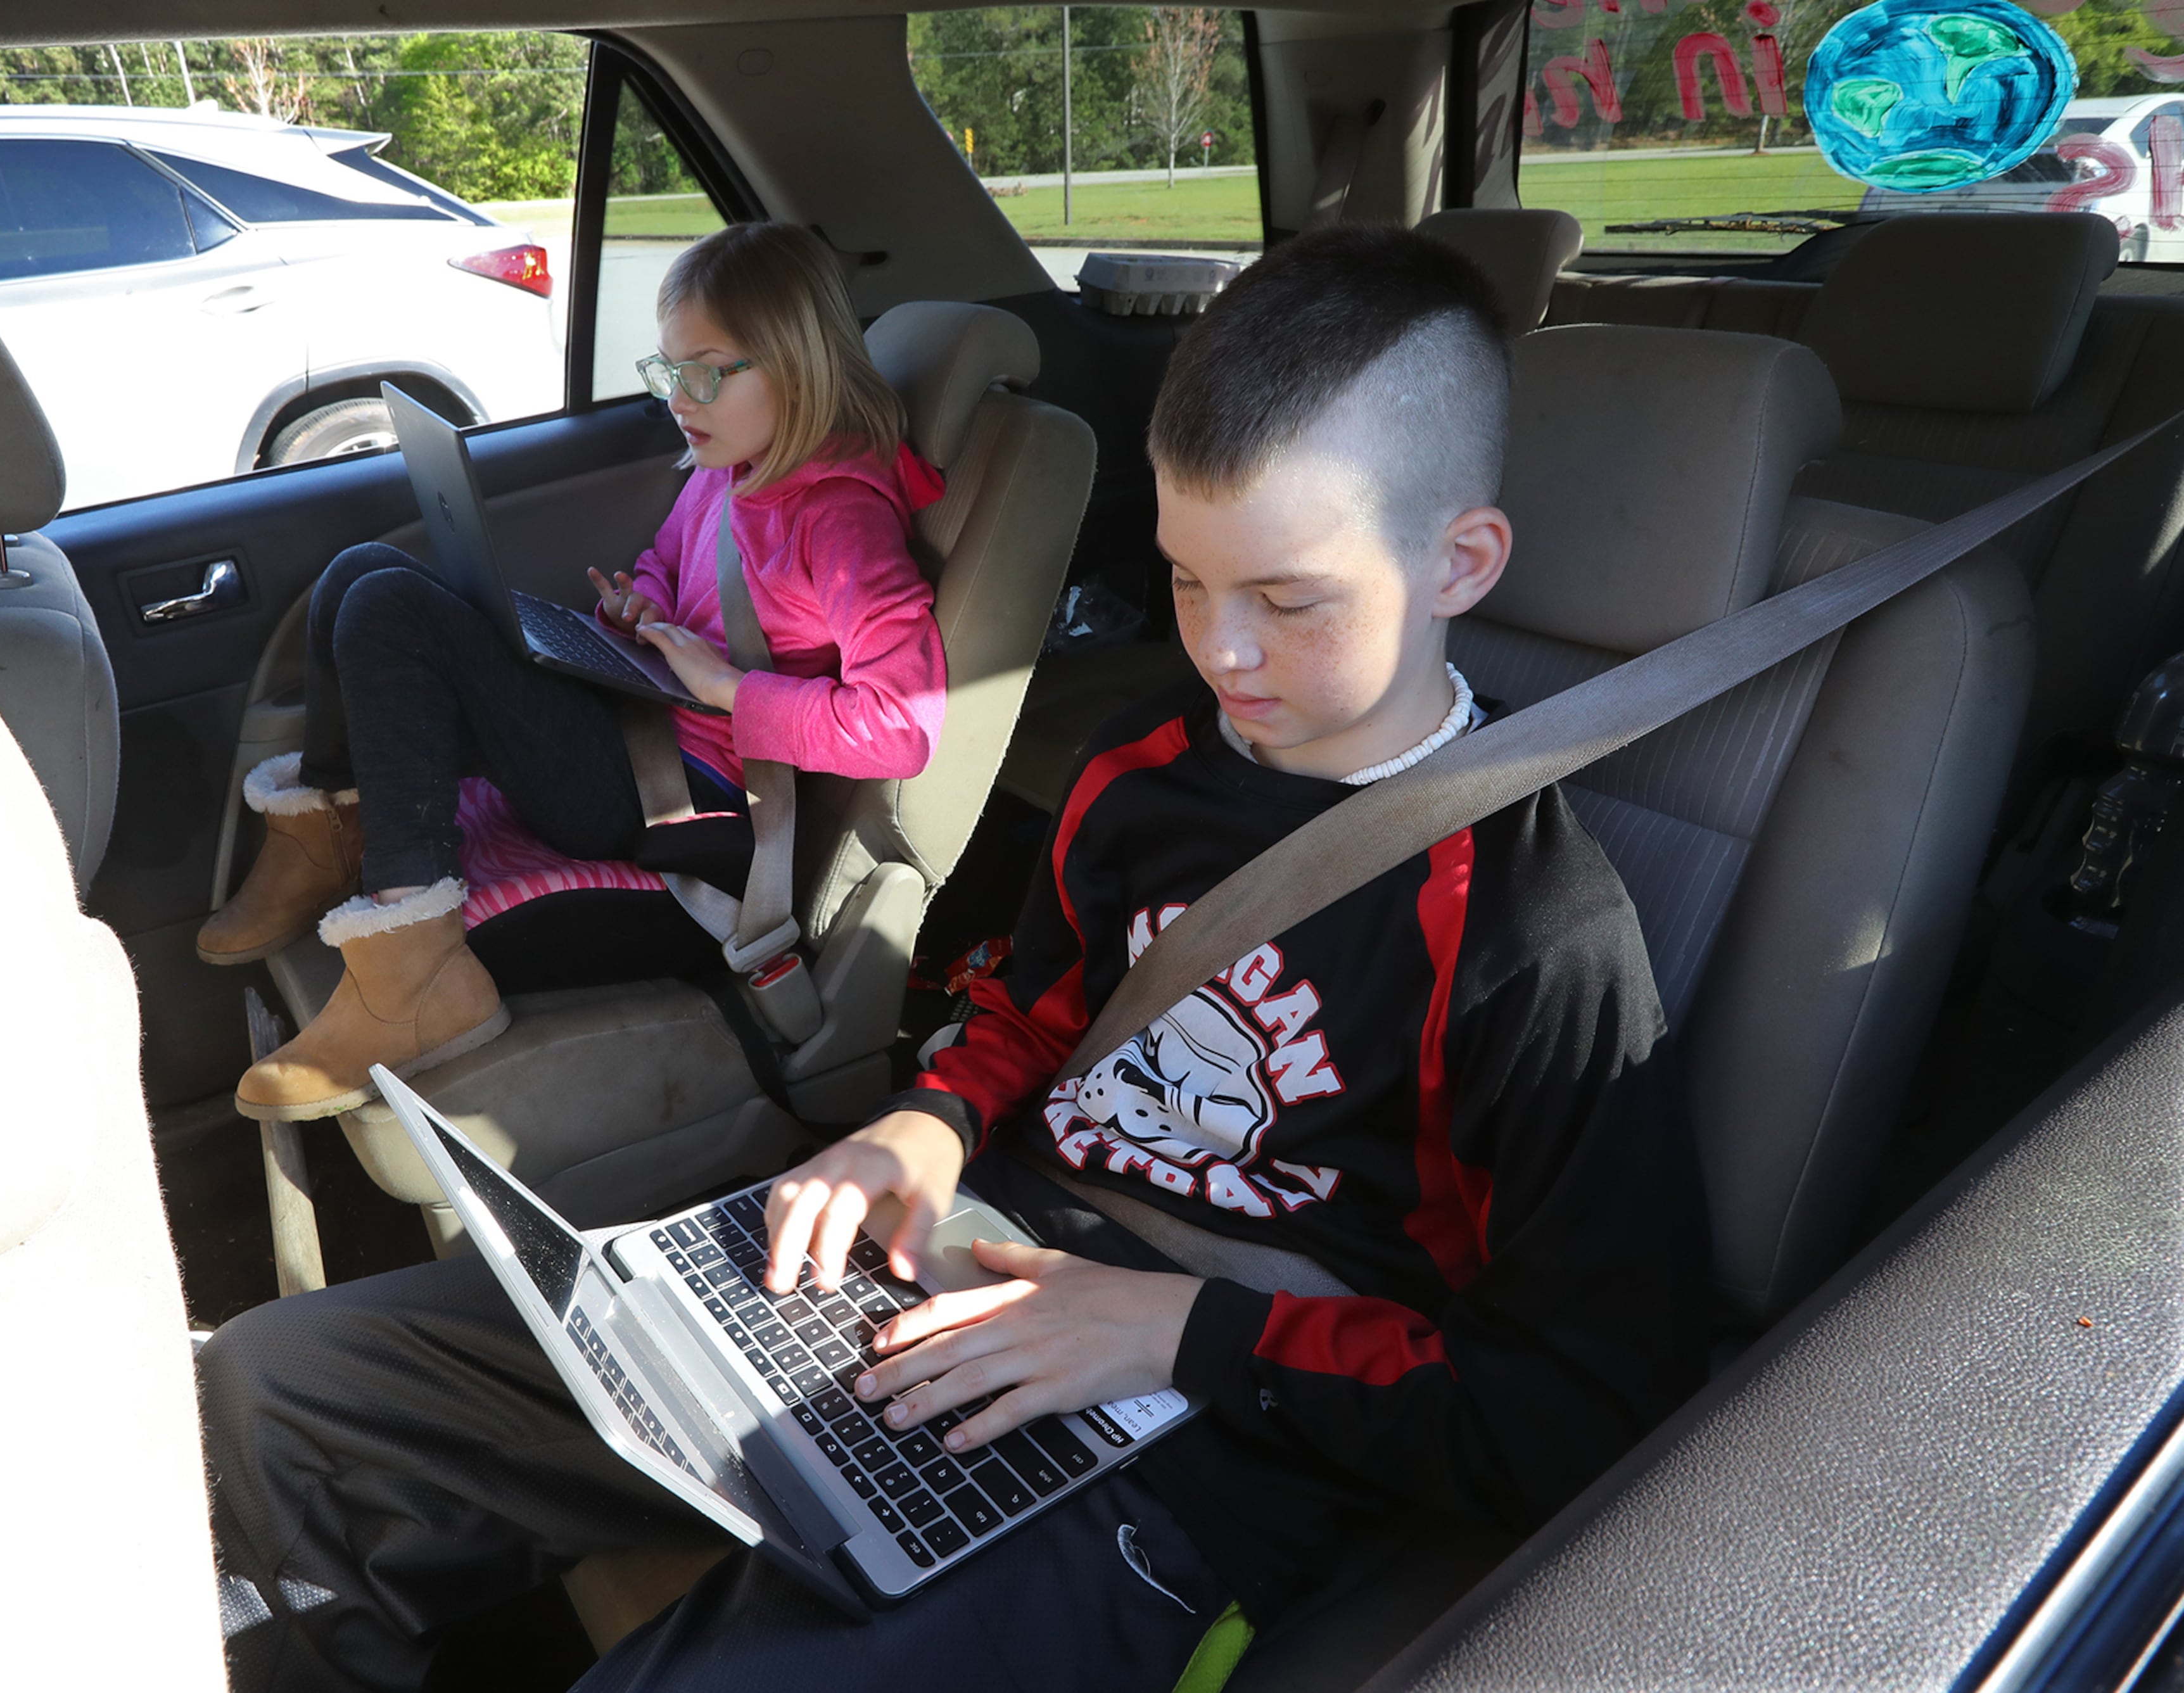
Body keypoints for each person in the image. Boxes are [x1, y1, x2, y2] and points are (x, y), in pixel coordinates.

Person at [196, 223, 1711, 1692]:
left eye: (1287, 598)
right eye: (1186, 579)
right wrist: (919, 1126)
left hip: (1204, 1430)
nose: (1222, 650)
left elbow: (1579, 1400)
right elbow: (1025, 1012)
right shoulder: (1143, 780)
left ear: (1462, 560)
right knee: (286, 1392)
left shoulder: (1533, 930)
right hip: (949, 1261)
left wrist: (1184, 1327)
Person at [197, 222, 949, 1123]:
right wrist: (643, 606)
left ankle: (417, 972)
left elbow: (901, 725)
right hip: (635, 722)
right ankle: (324, 838)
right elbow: (670, 562)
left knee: (391, 612)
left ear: (797, 364)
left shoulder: (838, 520)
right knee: (358, 573)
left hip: (687, 796)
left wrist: (726, 690)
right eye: (668, 371)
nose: (681, 398)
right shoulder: (730, 468)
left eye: (706, 371)